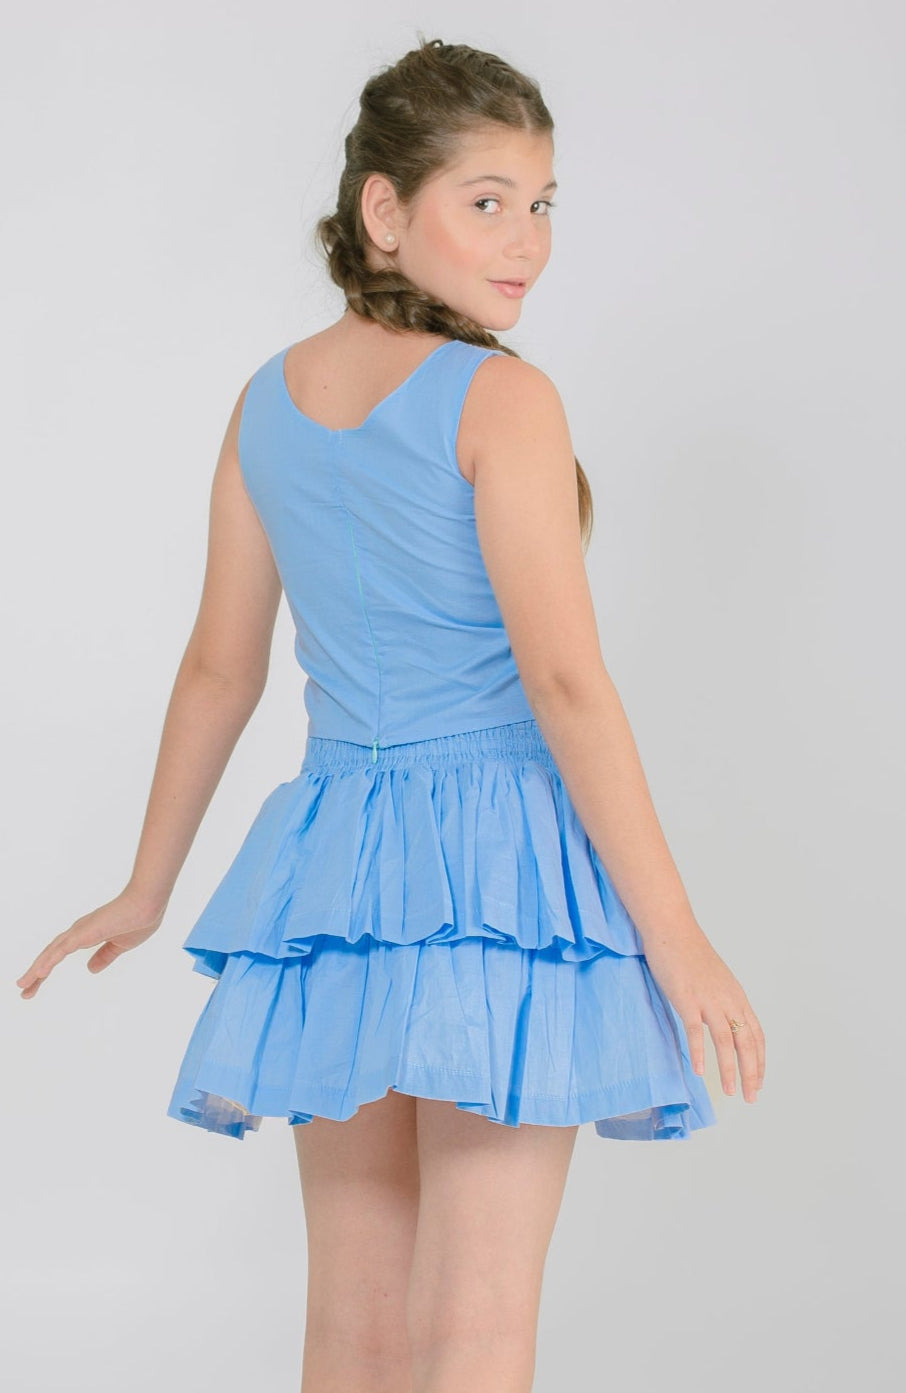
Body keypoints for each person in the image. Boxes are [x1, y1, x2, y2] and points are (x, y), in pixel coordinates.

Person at [17, 35, 764, 1393]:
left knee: (351, 1333)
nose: (527, 240)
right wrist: (678, 935)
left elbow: (221, 667)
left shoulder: (268, 402)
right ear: (384, 208)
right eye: (486, 200)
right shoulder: (503, 398)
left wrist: (149, 883)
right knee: (474, 1329)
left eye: (542, 204)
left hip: (337, 872)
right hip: (501, 873)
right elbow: (565, 684)